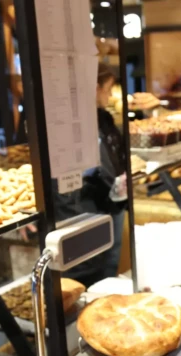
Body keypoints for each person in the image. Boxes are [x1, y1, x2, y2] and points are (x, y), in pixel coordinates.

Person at [52, 63, 128, 285]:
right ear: (95, 87)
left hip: (108, 202)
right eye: (109, 88)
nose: (111, 94)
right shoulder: (66, 121)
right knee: (83, 271)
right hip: (79, 207)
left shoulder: (102, 119)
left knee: (107, 266)